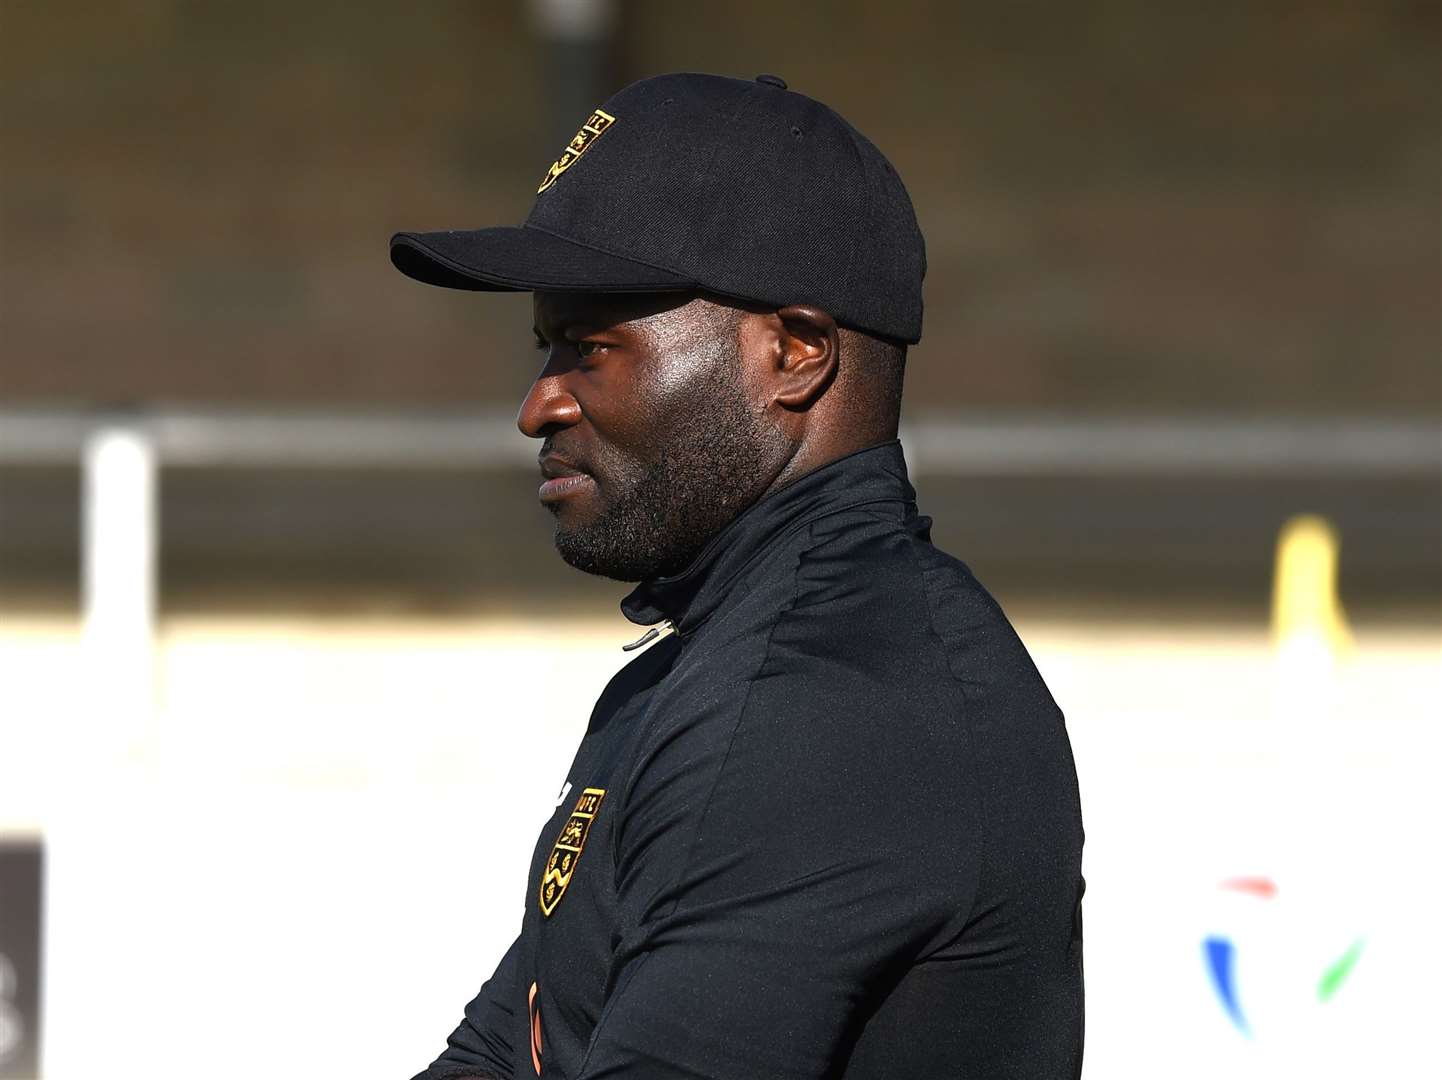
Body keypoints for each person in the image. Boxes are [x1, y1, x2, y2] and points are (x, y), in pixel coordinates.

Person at [390, 72, 1083, 1080]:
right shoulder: (691, 678)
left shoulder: (829, 709)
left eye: (589, 347)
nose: (537, 406)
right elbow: (499, 1050)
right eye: (544, 348)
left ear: (794, 351)